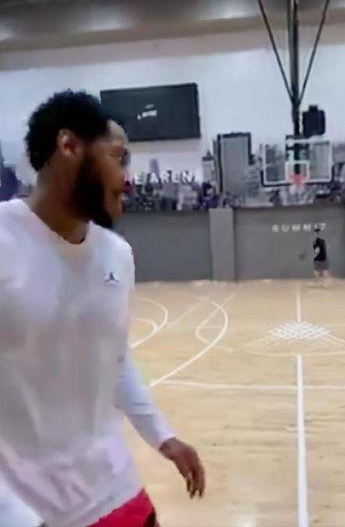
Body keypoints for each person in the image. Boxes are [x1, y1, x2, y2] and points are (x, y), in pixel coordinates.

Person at [0, 91, 205, 527]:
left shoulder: (117, 255)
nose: (127, 180)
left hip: (118, 492)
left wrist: (163, 436)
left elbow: (113, 357)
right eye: (118, 157)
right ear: (69, 146)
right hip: (33, 512)